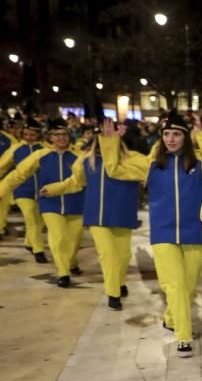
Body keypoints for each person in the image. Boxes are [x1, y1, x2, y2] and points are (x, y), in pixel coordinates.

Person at [102, 111, 202, 356]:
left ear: (185, 137)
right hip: (163, 234)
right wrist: (110, 142)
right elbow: (115, 169)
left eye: (177, 134)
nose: (171, 139)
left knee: (188, 287)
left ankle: (171, 316)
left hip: (195, 234)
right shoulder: (151, 166)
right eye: (167, 134)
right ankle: (184, 335)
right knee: (175, 285)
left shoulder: (199, 163)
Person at [39, 119, 146, 309]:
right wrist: (54, 188)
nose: (105, 140)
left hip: (122, 215)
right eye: (102, 137)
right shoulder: (85, 161)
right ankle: (113, 293)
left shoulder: (133, 158)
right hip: (97, 216)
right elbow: (75, 182)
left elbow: (141, 172)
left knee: (123, 255)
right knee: (108, 255)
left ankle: (119, 283)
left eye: (110, 137)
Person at [1, 118, 85, 286]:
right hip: (49, 203)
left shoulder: (79, 156)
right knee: (57, 237)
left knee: (75, 238)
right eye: (57, 135)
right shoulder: (40, 155)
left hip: (76, 202)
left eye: (64, 135)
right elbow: (19, 174)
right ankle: (63, 272)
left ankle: (71, 262)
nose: (61, 138)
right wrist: (2, 189)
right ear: (50, 138)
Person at [0, 116, 46, 260]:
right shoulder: (15, 149)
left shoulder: (45, 149)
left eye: (32, 135)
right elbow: (2, 166)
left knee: (40, 220)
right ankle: (39, 250)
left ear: (38, 134)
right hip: (22, 189)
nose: (29, 137)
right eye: (26, 134)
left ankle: (29, 241)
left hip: (43, 190)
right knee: (31, 217)